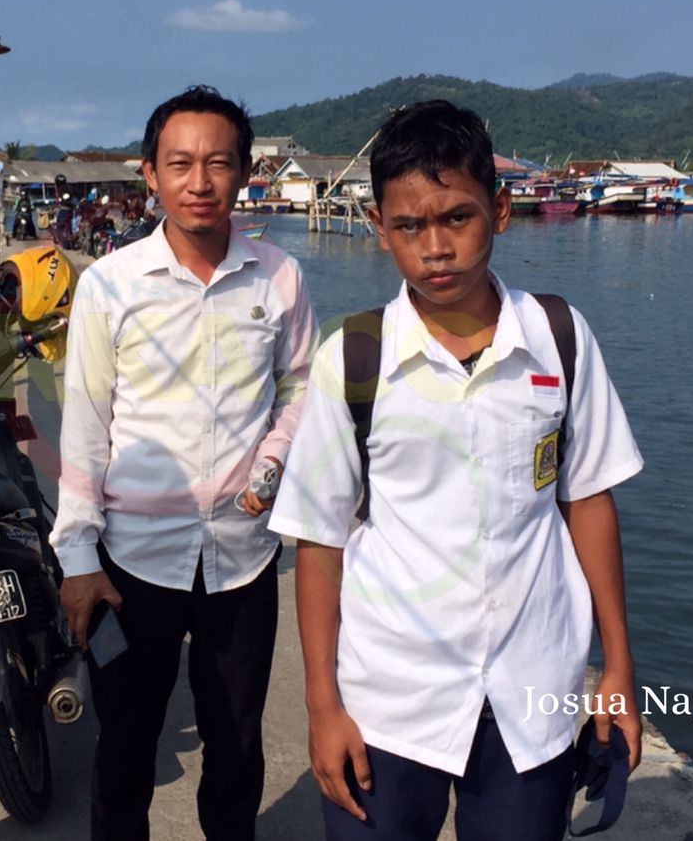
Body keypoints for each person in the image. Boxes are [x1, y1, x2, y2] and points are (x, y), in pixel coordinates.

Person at [268, 100, 644, 841]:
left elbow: (588, 500)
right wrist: (322, 707)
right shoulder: (355, 359)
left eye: (456, 218)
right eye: (408, 226)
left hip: (529, 693)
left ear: (500, 211)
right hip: (389, 699)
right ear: (379, 229)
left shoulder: (559, 340)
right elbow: (320, 540)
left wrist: (618, 670)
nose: (434, 248)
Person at [50, 85, 317, 841]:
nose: (199, 181)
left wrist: (272, 461)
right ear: (150, 175)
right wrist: (77, 555)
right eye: (180, 164)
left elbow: (302, 385)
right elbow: (85, 425)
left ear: (244, 172)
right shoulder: (109, 286)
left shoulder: (279, 277)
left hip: (243, 556)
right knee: (126, 744)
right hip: (131, 559)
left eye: (218, 163)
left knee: (236, 738)